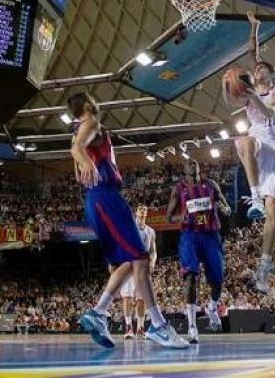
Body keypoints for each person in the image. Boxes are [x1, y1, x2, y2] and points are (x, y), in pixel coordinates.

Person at [68, 92, 187, 349]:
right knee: (141, 259)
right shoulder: (91, 123)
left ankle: (98, 313)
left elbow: (79, 173)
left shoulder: (76, 132)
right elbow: (78, 151)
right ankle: (158, 326)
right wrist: (87, 162)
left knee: (126, 262)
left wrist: (85, 162)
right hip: (107, 198)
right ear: (88, 104)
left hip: (96, 200)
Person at [223, 11, 275, 292]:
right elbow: (252, 51)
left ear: (270, 72)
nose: (256, 70)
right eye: (255, 70)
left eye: (261, 68)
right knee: (243, 141)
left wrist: (253, 94)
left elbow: (270, 114)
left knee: (273, 214)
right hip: (257, 139)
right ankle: (254, 196)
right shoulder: (250, 88)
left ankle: (265, 269)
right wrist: (254, 27)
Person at [166, 159, 231, 343]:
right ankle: (192, 326)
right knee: (191, 276)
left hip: (211, 235)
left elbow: (225, 205)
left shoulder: (210, 184)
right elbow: (169, 217)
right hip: (190, 236)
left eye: (196, 163)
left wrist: (226, 209)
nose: (193, 164)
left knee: (217, 280)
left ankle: (211, 308)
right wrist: (182, 215)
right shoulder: (178, 189)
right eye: (189, 163)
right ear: (184, 169)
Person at [119, 204, 156, 340]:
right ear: (136, 213)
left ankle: (140, 328)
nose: (143, 211)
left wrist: (152, 262)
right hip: (129, 264)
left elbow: (153, 250)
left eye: (145, 210)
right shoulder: (128, 228)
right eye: (140, 209)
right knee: (128, 298)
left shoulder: (151, 231)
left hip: (143, 266)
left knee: (142, 300)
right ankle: (129, 328)